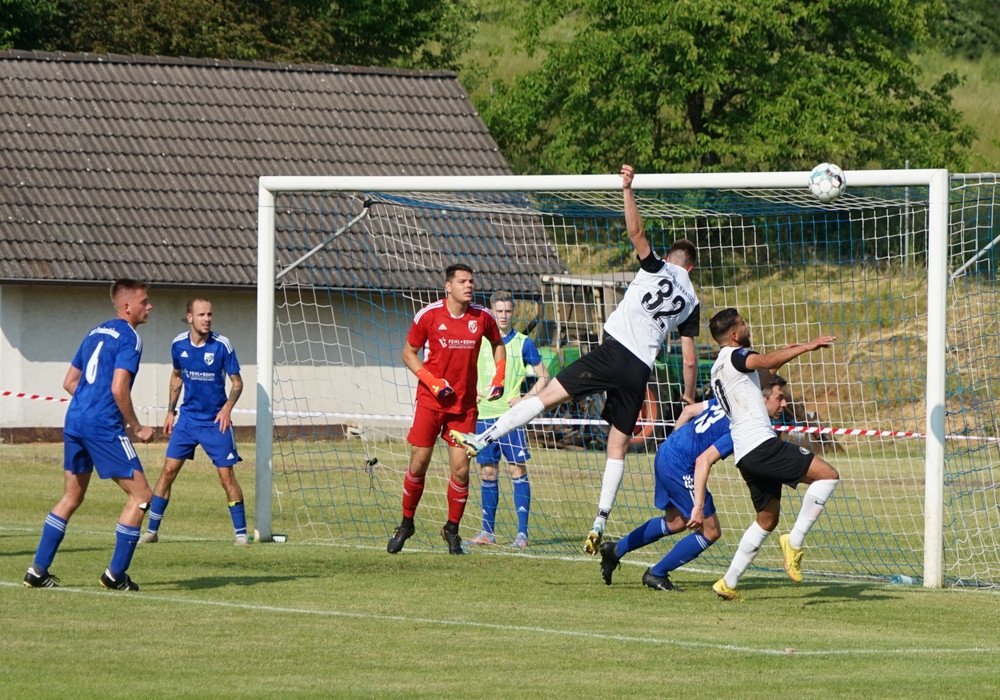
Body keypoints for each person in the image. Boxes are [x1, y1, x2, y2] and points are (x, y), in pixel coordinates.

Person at [453, 164, 700, 554]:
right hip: (640, 370)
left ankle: (481, 438)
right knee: (617, 447)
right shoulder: (693, 302)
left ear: (671, 258)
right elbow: (689, 360)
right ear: (692, 268)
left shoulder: (657, 266)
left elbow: (636, 232)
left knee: (546, 396)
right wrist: (687, 396)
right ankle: (600, 520)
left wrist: (627, 189)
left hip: (613, 351)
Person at [23, 279, 155, 591]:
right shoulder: (130, 338)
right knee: (142, 496)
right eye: (144, 301)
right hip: (101, 426)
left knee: (72, 496)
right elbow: (118, 388)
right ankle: (115, 575)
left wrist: (89, 404)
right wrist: (137, 427)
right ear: (127, 307)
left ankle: (37, 571)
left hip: (75, 421)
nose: (149, 306)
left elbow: (69, 382)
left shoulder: (95, 332)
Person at [600, 378, 789, 590]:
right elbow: (702, 462)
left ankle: (615, 550)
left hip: (667, 451)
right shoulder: (743, 425)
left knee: (676, 522)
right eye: (780, 398)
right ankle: (656, 573)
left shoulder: (728, 401)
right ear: (762, 398)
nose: (784, 404)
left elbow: (689, 410)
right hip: (681, 466)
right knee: (710, 530)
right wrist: (698, 505)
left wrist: (674, 443)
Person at [707, 308, 840, 600]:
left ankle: (728, 582)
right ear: (734, 335)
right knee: (828, 476)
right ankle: (794, 541)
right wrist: (807, 347)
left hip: (745, 454)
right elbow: (764, 361)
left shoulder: (718, 367)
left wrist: (787, 353)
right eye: (743, 323)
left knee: (766, 520)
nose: (747, 326)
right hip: (761, 444)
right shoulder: (737, 355)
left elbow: (762, 376)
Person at [386, 264, 506, 555]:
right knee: (418, 464)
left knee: (461, 470)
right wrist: (432, 381)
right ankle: (406, 524)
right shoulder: (428, 315)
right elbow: (408, 353)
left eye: (471, 281)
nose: (469, 285)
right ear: (448, 287)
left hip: (463, 407)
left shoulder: (483, 317)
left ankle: (452, 529)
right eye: (462, 281)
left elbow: (498, 344)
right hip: (430, 403)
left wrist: (499, 376)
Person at [139, 297, 246, 546]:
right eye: (201, 315)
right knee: (168, 472)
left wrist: (227, 409)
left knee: (226, 477)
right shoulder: (178, 344)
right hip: (187, 421)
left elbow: (237, 383)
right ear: (190, 317)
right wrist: (170, 412)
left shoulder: (221, 345)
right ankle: (152, 531)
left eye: (210, 314)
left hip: (215, 422)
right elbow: (176, 376)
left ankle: (241, 535)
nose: (207, 319)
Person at [468, 291, 550, 549]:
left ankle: (522, 535)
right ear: (492, 312)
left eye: (507, 311)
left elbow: (545, 377)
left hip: (511, 419)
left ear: (513, 313)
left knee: (517, 470)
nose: (503, 316)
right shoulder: (480, 341)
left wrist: (526, 399)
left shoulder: (524, 343)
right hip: (483, 417)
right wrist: (471, 390)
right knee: (487, 473)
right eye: (499, 311)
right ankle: (487, 533)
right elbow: (466, 371)